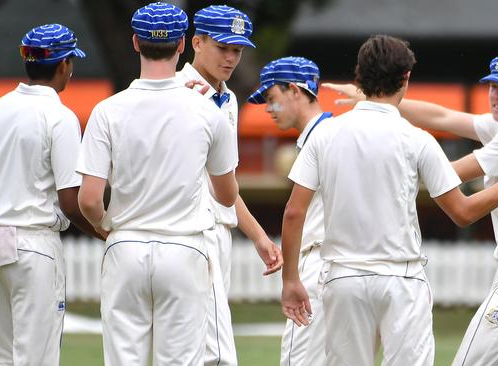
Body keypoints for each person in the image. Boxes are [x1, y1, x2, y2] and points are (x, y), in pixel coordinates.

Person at [280, 35, 498, 366]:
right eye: (494, 85)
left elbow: (294, 212)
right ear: (405, 78)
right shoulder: (486, 128)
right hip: (406, 278)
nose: (496, 94)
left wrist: (383, 164)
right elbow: (443, 118)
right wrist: (383, 120)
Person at [76, 3, 239, 365]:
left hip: (126, 246)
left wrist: (107, 227)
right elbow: (227, 196)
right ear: (182, 44)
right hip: (184, 248)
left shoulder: (108, 110)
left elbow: (88, 199)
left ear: (135, 42)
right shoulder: (208, 112)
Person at [0, 23, 102, 365]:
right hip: (32, 246)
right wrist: (104, 231)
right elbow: (71, 201)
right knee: (36, 358)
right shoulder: (60, 117)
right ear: (64, 65)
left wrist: (1, 207)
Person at [176, 5, 283, 365]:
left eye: (237, 50)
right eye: (223, 47)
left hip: (217, 231)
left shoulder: (229, 99)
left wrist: (258, 237)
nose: (231, 58)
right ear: (197, 42)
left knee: (198, 346)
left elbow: (224, 182)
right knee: (216, 353)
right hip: (189, 231)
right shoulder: (177, 92)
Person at [247, 56, 328, 366]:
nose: (269, 109)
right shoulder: (336, 131)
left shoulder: (318, 138)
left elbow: (294, 214)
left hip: (317, 264)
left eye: (272, 98)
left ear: (295, 90)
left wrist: (291, 279)